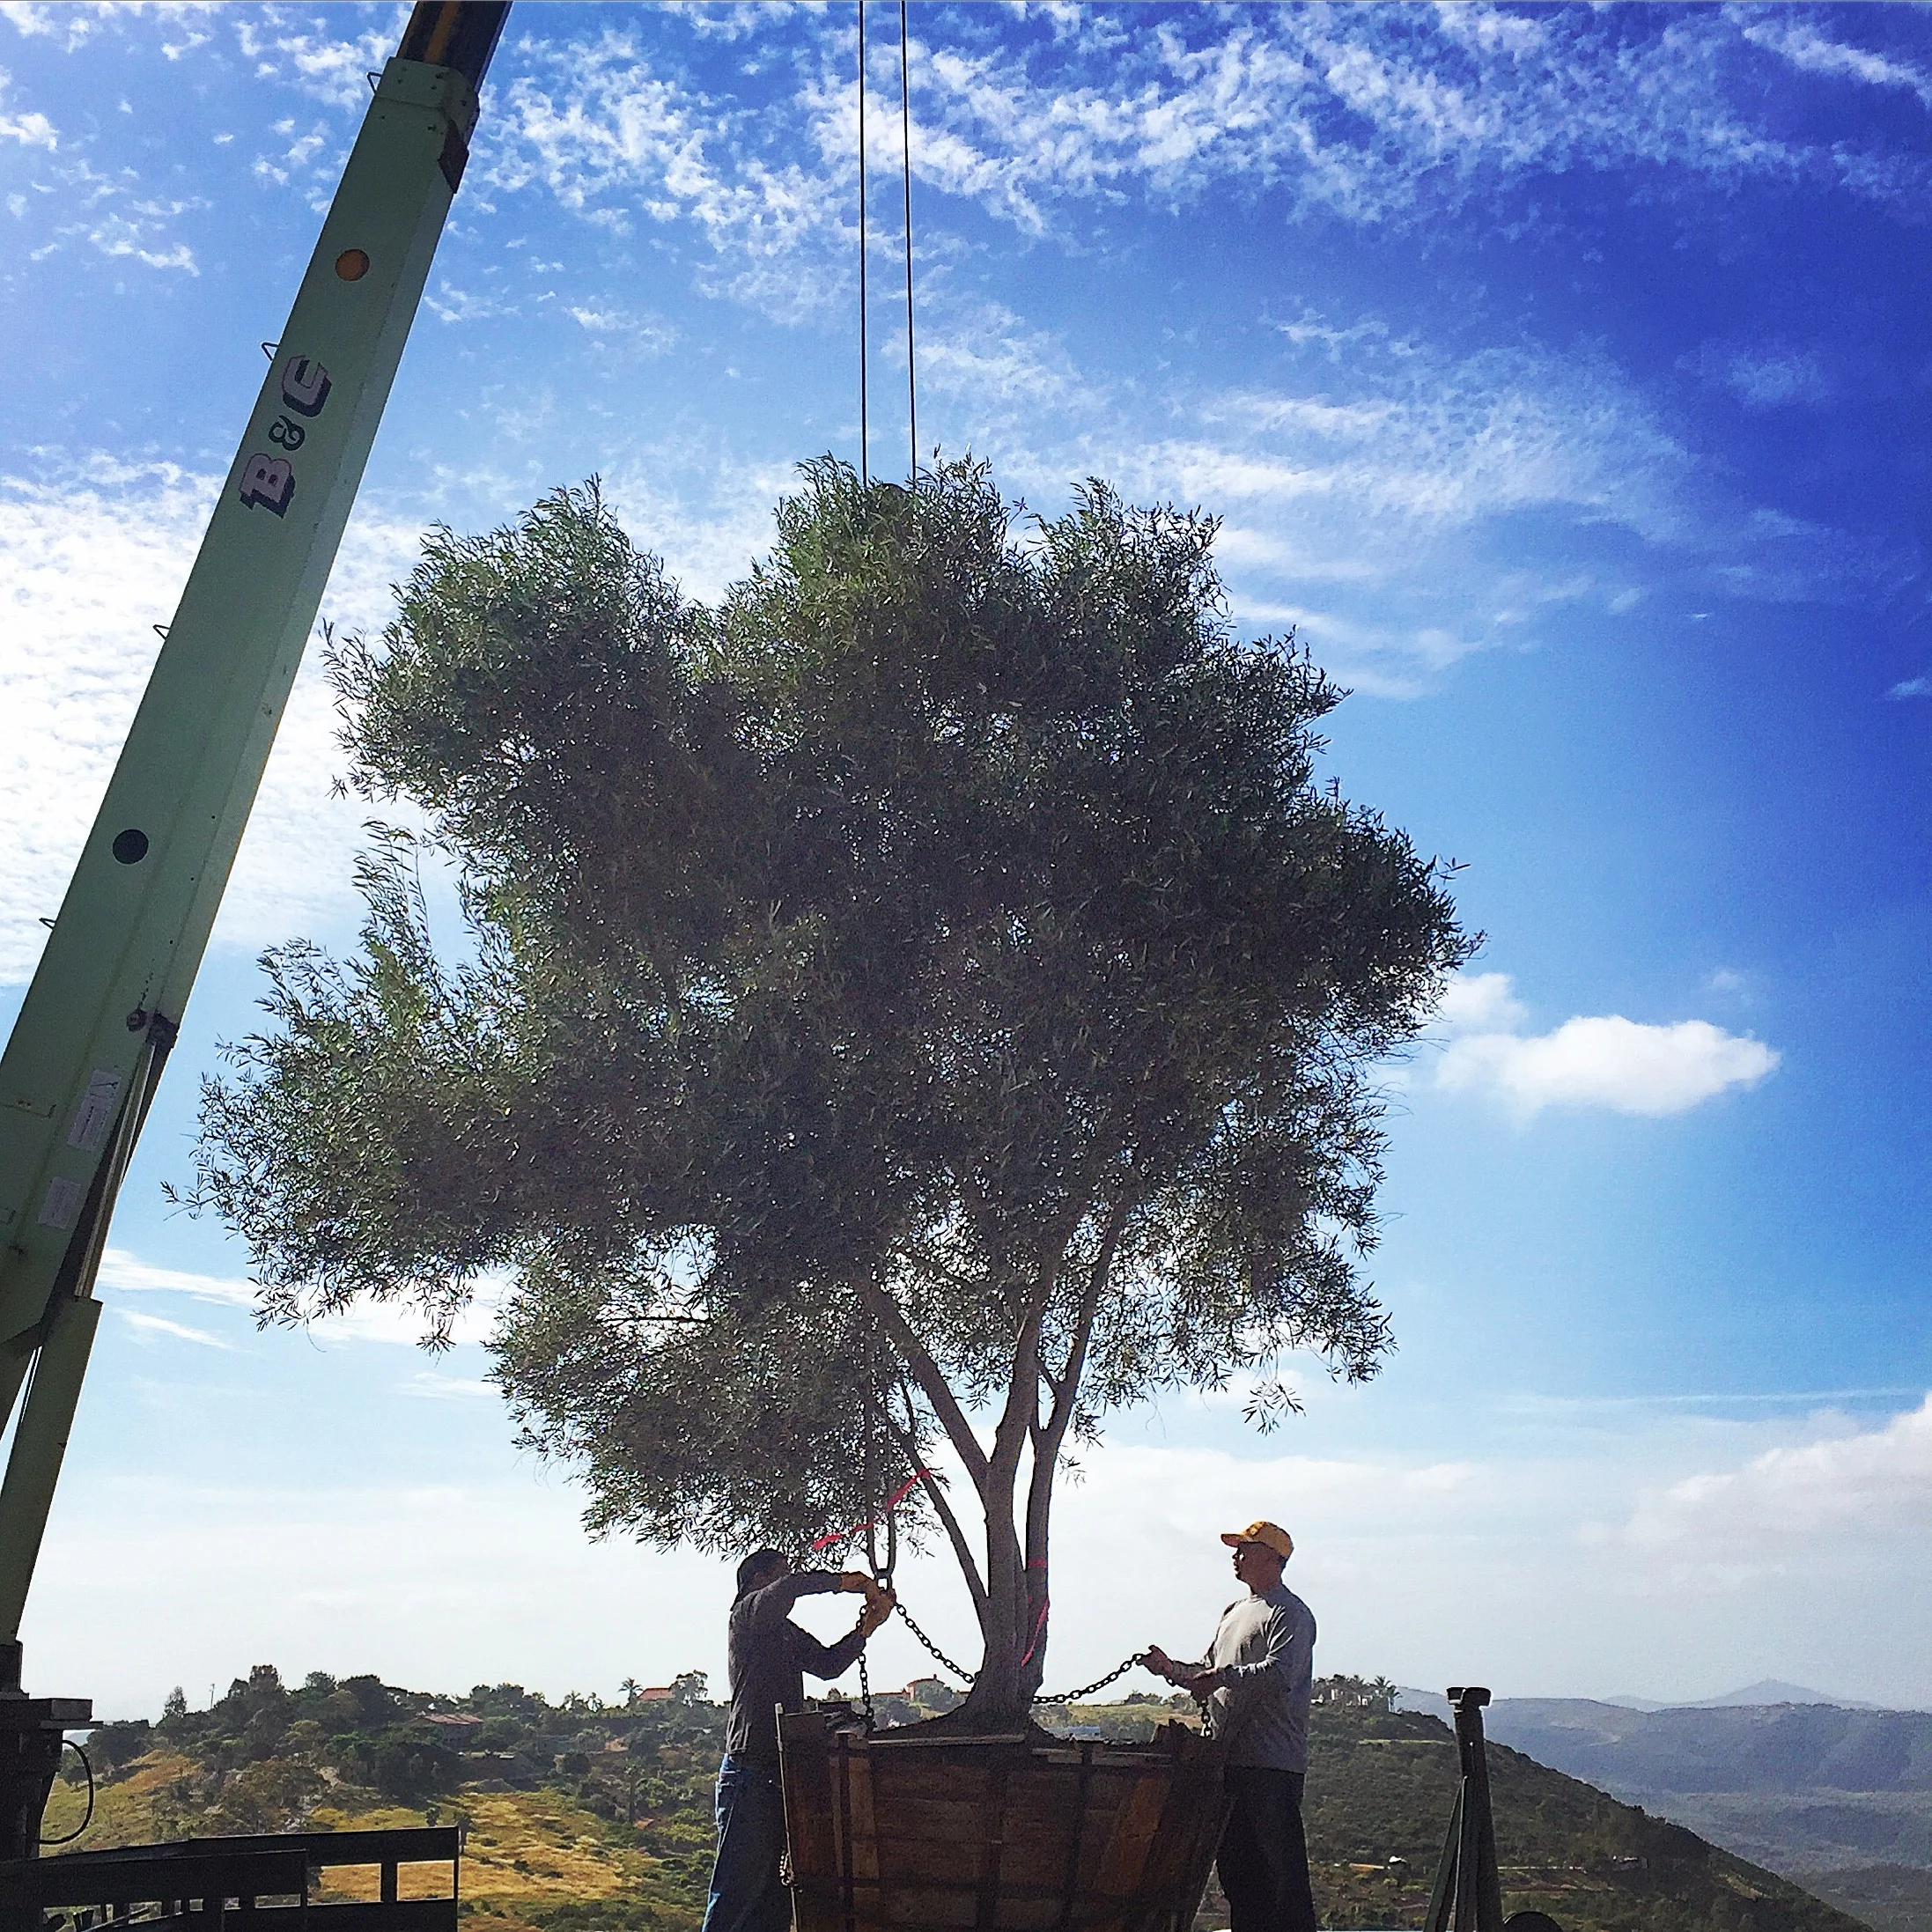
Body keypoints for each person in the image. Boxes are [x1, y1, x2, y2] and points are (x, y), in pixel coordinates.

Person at [700, 1548, 894, 1932]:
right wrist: (847, 1582)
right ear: (757, 1581)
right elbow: (789, 1588)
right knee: (736, 1893)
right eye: (779, 1575)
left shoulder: (782, 1633)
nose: (787, 1581)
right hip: (749, 1772)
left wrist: (865, 1629)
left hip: (778, 1773)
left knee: (774, 1897)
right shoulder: (746, 1616)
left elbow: (826, 1665)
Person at [1145, 1519, 1317, 1932]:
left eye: (1245, 1550)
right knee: (1240, 1878)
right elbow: (1209, 1671)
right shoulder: (1234, 1612)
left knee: (1283, 1880)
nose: (1236, 1557)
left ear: (1273, 1560)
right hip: (1229, 1763)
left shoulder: (1291, 1614)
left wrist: (1222, 1677)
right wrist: (1170, 1669)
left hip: (1272, 1766)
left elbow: (1279, 1674)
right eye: (1236, 1550)